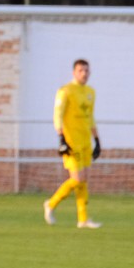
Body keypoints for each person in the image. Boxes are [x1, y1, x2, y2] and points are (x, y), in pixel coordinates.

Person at [43, 59, 102, 229]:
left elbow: (90, 118)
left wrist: (97, 140)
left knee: (84, 180)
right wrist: (61, 139)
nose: (84, 73)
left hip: (85, 141)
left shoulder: (91, 92)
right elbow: (58, 115)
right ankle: (51, 204)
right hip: (71, 142)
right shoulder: (65, 91)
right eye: (81, 70)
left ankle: (83, 219)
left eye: (86, 70)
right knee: (77, 178)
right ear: (74, 73)